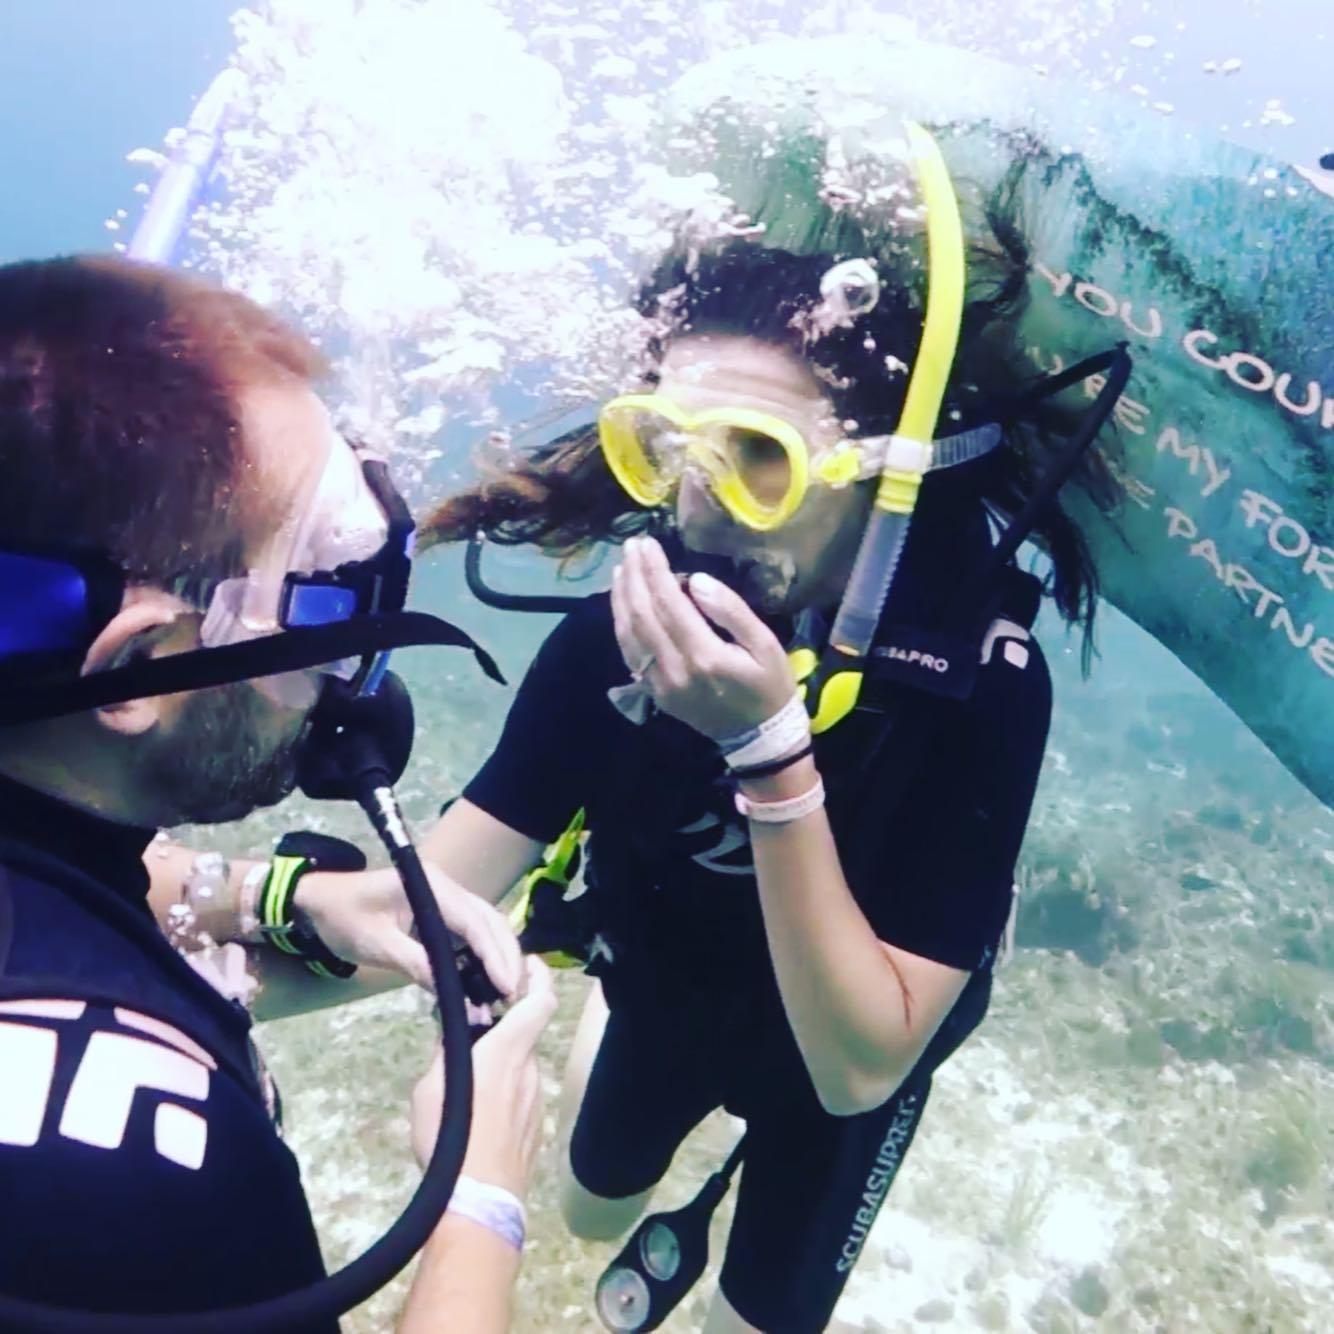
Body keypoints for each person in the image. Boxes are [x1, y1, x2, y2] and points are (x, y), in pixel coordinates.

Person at [392, 145, 1121, 1331]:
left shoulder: (979, 684)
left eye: (758, 458)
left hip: (844, 1059)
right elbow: (419, 901)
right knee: (583, 1206)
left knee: (755, 1320)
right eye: (665, 451)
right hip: (666, 987)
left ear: (882, 471)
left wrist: (771, 752)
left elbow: (859, 1064)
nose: (698, 505)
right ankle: (595, 1020)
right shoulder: (608, 646)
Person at [0, 255, 553, 1331]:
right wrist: (481, 1199)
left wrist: (277, 898)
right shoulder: (147, 1173)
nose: (337, 678)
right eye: (309, 614)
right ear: (129, 672)